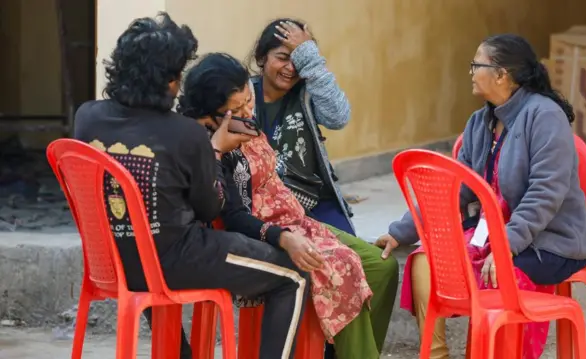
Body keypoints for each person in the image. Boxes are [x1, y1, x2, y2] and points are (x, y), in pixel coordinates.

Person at [73, 13, 310, 359]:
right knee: (293, 277)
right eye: (177, 75)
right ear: (169, 81)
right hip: (173, 261)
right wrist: (213, 151)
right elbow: (210, 208)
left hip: (111, 260)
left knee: (148, 235)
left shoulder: (87, 117)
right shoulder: (184, 134)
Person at [375, 34, 586, 359]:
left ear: (501, 74)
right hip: (493, 238)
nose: (470, 73)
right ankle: (436, 355)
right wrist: (402, 231)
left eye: (476, 65)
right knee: (426, 259)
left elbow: (545, 194)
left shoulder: (545, 116)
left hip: (548, 242)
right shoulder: (480, 122)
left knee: (501, 276)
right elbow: (454, 188)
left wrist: (505, 246)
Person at [177, 52, 399, 359]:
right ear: (209, 116)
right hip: (262, 234)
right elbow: (233, 216)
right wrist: (282, 236)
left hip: (295, 219)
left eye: (248, 102)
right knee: (341, 265)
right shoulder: (207, 147)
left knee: (382, 265)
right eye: (235, 109)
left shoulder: (243, 125)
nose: (247, 112)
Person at [248, 18, 355, 236]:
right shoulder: (244, 95)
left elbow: (338, 117)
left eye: (297, 57)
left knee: (352, 255)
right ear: (261, 57)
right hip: (263, 204)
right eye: (282, 58)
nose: (291, 68)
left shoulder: (308, 92)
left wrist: (310, 57)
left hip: (313, 199)